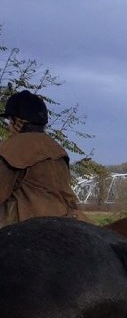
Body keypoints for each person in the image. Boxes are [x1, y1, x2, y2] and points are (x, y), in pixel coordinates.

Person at [0, 90, 87, 228]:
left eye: (9, 121)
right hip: (67, 219)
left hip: (27, 225)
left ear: (17, 121)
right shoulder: (57, 149)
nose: (9, 126)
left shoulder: (10, 149)